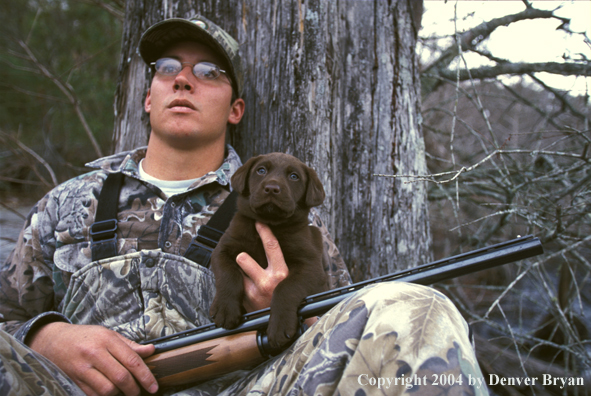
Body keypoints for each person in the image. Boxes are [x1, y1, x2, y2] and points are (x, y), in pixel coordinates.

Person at [0, 15, 489, 396]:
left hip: (247, 387)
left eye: (209, 72)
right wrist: (44, 337)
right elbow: (6, 313)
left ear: (236, 109)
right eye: (167, 68)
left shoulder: (294, 222)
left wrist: (290, 310)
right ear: (147, 98)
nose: (183, 80)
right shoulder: (66, 203)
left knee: (414, 307)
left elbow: (341, 329)